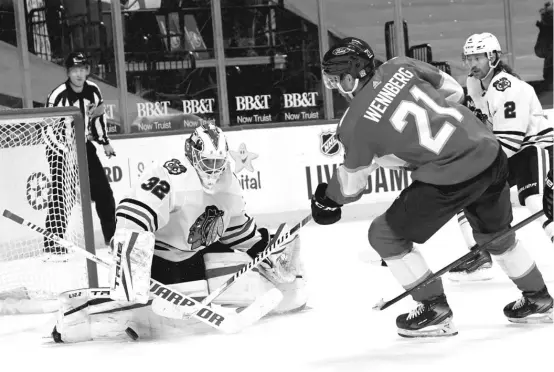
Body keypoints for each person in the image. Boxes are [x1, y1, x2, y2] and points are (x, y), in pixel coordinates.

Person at [311, 37, 553, 338]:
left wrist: (327, 200)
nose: (334, 86)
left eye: (336, 80)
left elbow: (350, 186)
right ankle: (539, 298)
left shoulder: (354, 125)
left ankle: (433, 309)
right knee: (495, 235)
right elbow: (452, 91)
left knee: (384, 235)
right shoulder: (399, 65)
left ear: (351, 77)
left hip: (451, 176)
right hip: (488, 153)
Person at [52, 122, 307, 343]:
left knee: (192, 296)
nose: (214, 170)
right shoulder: (172, 174)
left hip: (190, 257)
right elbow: (134, 212)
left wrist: (264, 250)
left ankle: (151, 312)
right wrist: (131, 259)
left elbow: (237, 230)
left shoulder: (228, 184)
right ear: (194, 157)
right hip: (155, 257)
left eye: (219, 163)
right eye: (208, 163)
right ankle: (74, 314)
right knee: (135, 300)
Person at [451, 33, 554, 281]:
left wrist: (479, 168)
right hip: (509, 154)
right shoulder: (475, 85)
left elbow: (509, 141)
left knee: (533, 201)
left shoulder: (507, 87)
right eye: (469, 58)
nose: (472, 63)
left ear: (493, 58)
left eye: (478, 57)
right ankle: (480, 254)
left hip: (535, 148)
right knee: (465, 194)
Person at [44, 51, 117, 251]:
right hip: (59, 150)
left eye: (82, 69)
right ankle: (52, 246)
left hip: (83, 147)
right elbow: (47, 128)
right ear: (68, 72)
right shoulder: (58, 95)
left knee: (104, 194)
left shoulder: (94, 90)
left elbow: (98, 118)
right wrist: (63, 152)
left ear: (88, 71)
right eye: (74, 70)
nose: (78, 74)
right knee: (62, 196)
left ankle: (113, 240)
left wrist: (104, 142)